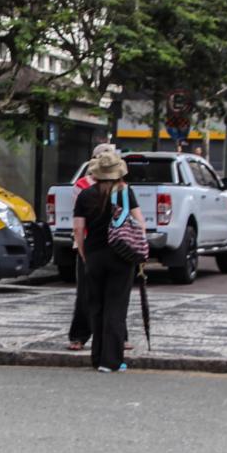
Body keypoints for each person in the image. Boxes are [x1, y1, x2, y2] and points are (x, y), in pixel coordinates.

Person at [72, 152, 146, 372]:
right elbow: (141, 224)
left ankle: (97, 357)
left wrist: (84, 253)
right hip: (121, 256)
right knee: (116, 306)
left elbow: (77, 228)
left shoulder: (85, 195)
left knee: (96, 306)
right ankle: (111, 360)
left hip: (94, 255)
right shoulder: (125, 193)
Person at [68, 143, 115, 351]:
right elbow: (80, 223)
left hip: (109, 244)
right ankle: (80, 335)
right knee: (87, 292)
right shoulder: (83, 187)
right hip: (92, 244)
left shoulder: (119, 186)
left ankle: (116, 336)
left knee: (114, 293)